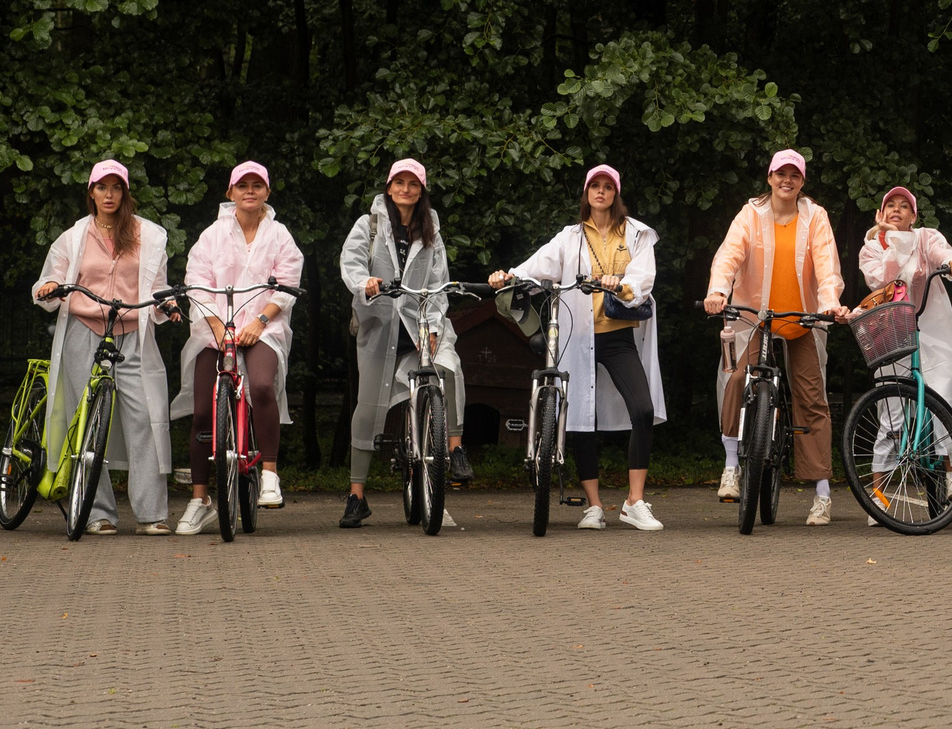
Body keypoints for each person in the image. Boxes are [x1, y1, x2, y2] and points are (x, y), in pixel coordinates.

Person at [490, 165, 667, 530]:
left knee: (643, 409)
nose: (600, 192)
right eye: (594, 186)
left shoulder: (635, 234)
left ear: (616, 193)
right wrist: (507, 276)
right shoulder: (570, 237)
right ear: (586, 193)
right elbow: (538, 266)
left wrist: (620, 284)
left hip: (618, 335)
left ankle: (635, 501)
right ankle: (594, 505)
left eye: (607, 187)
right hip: (578, 335)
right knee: (581, 418)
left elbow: (643, 276)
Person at [32, 160, 178, 534]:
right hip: (84, 329)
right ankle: (97, 513)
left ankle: (152, 514)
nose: (109, 195)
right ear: (91, 193)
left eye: (116, 188)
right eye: (102, 188)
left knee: (144, 417)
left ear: (125, 193)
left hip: (130, 333)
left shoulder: (148, 235)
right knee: (86, 421)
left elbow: (159, 286)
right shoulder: (74, 236)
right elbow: (50, 276)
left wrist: (169, 305)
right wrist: (49, 287)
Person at [704, 149, 846, 524]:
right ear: (769, 178)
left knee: (812, 399)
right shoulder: (750, 214)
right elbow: (728, 255)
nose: (787, 180)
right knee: (736, 377)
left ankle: (821, 494)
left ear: (802, 182)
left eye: (794, 175)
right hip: (755, 315)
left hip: (803, 317)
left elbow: (827, 265)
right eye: (780, 174)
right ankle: (732, 465)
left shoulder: (815, 216)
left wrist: (829, 303)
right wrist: (718, 291)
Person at [338, 158, 469, 529]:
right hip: (381, 326)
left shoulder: (431, 230)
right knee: (368, 408)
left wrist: (431, 323)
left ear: (421, 189)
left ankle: (455, 451)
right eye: (400, 182)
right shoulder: (371, 223)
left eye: (413, 184)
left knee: (448, 370)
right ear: (389, 185)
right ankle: (356, 496)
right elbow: (350, 261)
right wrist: (365, 282)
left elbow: (440, 283)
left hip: (419, 325)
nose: (406, 189)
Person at [174, 163, 305, 534]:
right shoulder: (212, 234)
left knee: (262, 385)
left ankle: (269, 474)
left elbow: (288, 284)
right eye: (242, 185)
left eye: (257, 185)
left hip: (262, 327)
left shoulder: (279, 235)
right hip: (213, 328)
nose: (250, 191)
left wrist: (260, 321)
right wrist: (216, 324)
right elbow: (196, 282)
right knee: (202, 413)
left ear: (267, 191)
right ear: (230, 193)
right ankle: (200, 500)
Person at [855, 186, 952, 525]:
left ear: (914, 215)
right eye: (890, 205)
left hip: (931, 327)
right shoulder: (870, 248)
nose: (896, 210)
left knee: (945, 389)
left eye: (903, 207)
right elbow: (886, 279)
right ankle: (878, 497)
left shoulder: (925, 237)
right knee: (890, 415)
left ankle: (951, 469)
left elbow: (942, 251)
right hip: (891, 328)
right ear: (880, 213)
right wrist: (891, 239)